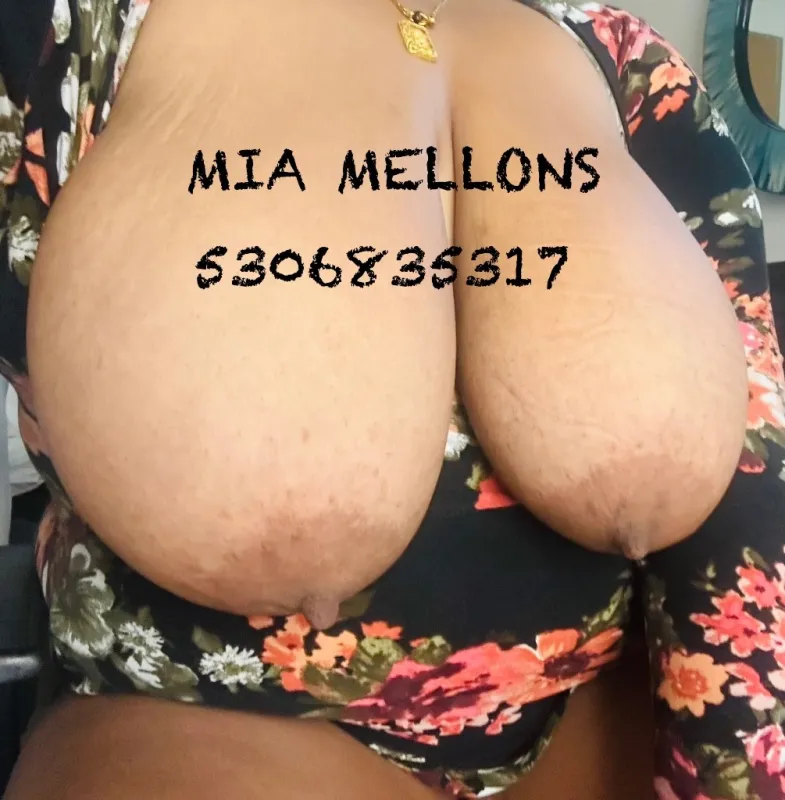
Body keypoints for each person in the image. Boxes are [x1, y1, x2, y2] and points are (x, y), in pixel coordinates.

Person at [1, 0, 781, 797]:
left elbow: (749, 488)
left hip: (605, 720)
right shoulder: (79, 25)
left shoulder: (630, 65)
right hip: (215, 726)